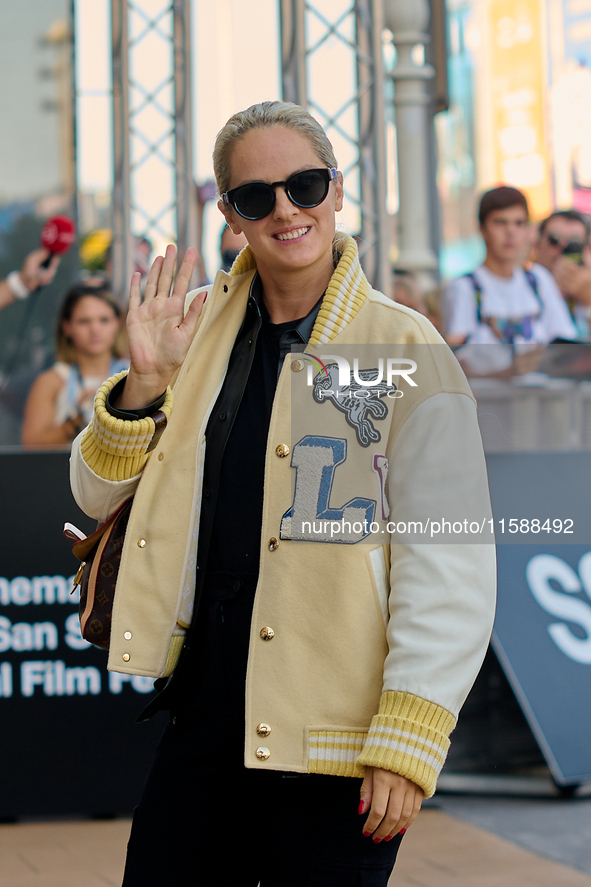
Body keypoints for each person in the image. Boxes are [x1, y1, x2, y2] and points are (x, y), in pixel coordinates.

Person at [70, 101, 496, 886]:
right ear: (230, 215)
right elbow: (98, 495)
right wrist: (145, 382)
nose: (285, 210)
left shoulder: (405, 348)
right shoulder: (189, 332)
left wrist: (408, 738)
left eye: (303, 184)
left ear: (336, 189)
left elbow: (451, 561)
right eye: (256, 196)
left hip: (338, 735)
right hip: (204, 715)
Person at [444, 186, 576, 349]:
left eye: (519, 223)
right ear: (482, 229)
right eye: (500, 222)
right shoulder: (464, 288)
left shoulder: (538, 280)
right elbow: (456, 360)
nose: (510, 231)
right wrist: (510, 370)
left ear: (527, 230)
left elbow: (565, 342)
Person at [21, 284, 127, 446]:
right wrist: (75, 422)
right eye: (84, 321)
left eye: (104, 320)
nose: (95, 329)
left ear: (117, 323)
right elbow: (31, 446)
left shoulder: (134, 374)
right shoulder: (51, 381)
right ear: (67, 327)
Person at [535, 209, 591, 339]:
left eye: (574, 244)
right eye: (554, 240)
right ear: (537, 245)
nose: (563, 248)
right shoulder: (526, 287)